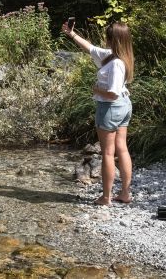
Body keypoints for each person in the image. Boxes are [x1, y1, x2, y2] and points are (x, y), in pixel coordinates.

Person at [62, 19, 135, 206]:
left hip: (112, 108)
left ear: (113, 39)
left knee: (108, 154)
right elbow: (90, 48)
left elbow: (112, 93)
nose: (105, 39)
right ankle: (125, 193)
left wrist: (96, 90)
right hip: (124, 106)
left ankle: (106, 197)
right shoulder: (116, 56)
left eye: (108, 37)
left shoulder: (116, 63)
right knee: (122, 148)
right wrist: (72, 34)